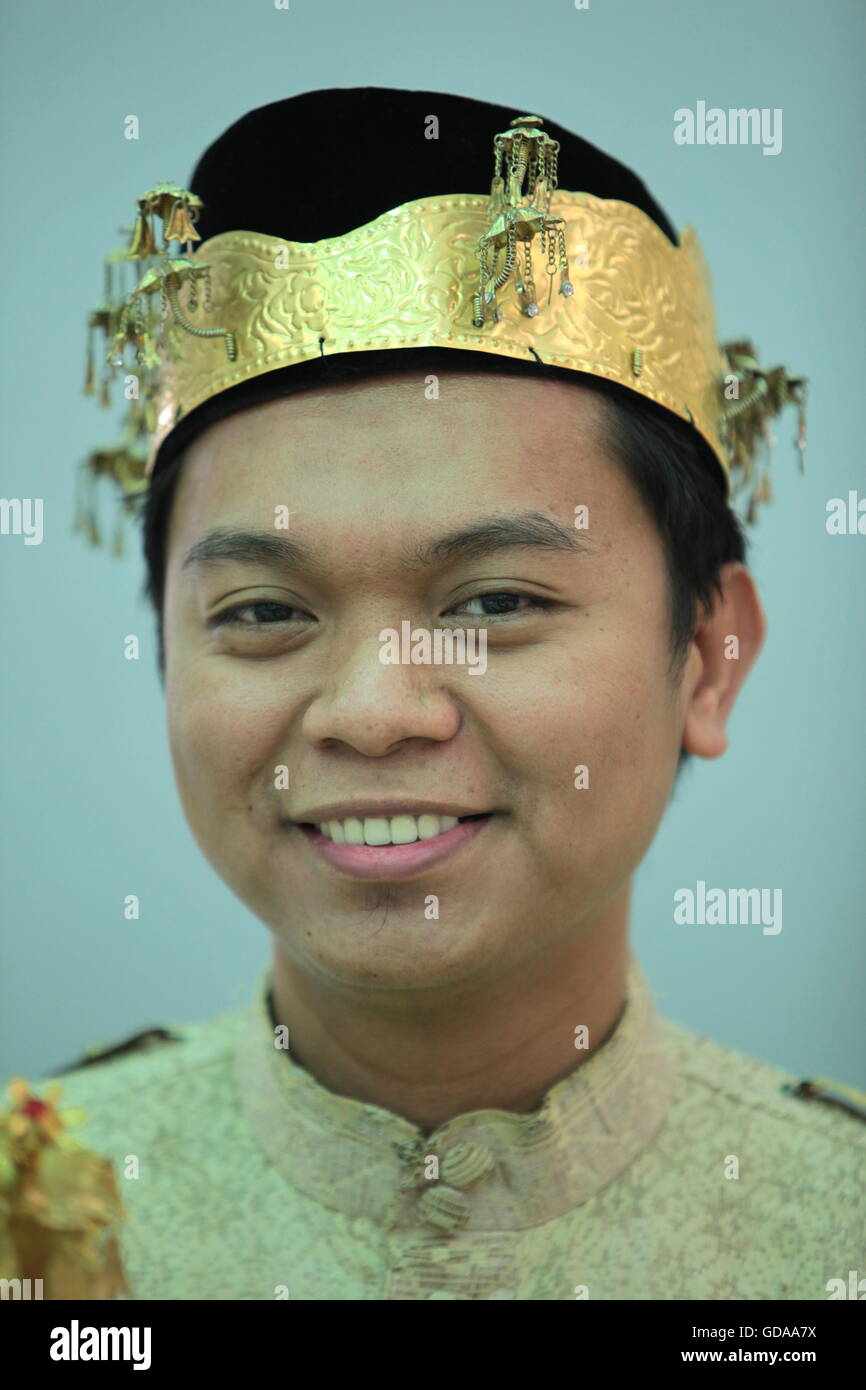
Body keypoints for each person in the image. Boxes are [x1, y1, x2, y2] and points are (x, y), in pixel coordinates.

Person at [3, 86, 862, 1302]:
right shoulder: (29, 1203)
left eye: (494, 602)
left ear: (708, 655)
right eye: (262, 612)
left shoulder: (836, 1226)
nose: (372, 711)